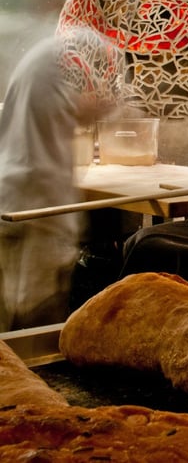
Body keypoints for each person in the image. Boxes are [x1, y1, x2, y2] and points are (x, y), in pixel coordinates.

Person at [0, 28, 123, 330]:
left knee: (9, 310)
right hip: (40, 203)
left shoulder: (44, 56)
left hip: (11, 192)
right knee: (37, 311)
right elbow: (86, 109)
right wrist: (113, 104)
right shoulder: (77, 55)